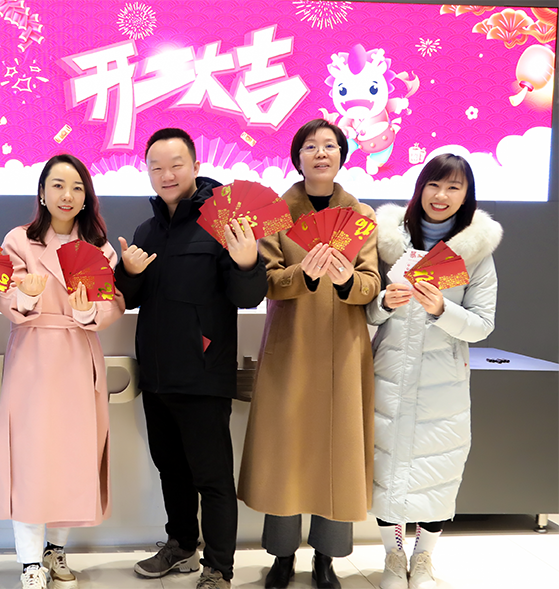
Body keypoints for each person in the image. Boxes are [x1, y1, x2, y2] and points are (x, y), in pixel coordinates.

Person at [114, 128, 267, 589]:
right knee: (171, 470)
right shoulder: (147, 230)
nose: (166, 174)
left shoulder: (225, 221)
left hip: (203, 373)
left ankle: (219, 569)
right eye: (156, 167)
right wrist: (128, 272)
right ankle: (181, 545)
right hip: (156, 374)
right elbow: (131, 296)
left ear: (196, 166)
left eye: (176, 164)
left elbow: (247, 296)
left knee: (212, 478)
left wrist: (247, 262)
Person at [237, 118, 379, 589]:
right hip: (290, 346)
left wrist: (347, 279)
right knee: (286, 451)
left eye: (330, 145)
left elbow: (371, 285)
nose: (321, 153)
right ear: (297, 156)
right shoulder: (276, 212)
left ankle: (326, 558)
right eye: (311, 146)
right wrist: (306, 274)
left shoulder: (361, 213)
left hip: (344, 349)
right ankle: (281, 557)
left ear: (342, 155)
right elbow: (266, 282)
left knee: (339, 452)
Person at [0, 154, 126, 589]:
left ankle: (57, 550)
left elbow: (112, 304)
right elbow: (4, 297)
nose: (67, 195)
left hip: (78, 356)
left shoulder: (100, 248)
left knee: (74, 457)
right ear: (42, 193)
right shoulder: (19, 240)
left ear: (86, 197)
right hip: (32, 359)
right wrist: (27, 297)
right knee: (30, 460)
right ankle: (30, 562)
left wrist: (88, 312)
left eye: (76, 187)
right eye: (57, 185)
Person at [366, 154, 500, 589]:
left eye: (453, 187)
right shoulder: (386, 243)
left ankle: (423, 559)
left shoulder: (476, 255)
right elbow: (362, 312)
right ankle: (393, 557)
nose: (441, 196)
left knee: (438, 472)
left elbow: (482, 325)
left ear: (466, 196)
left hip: (443, 382)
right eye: (434, 185)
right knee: (386, 471)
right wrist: (383, 303)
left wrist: (443, 309)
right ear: (420, 188)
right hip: (388, 374)